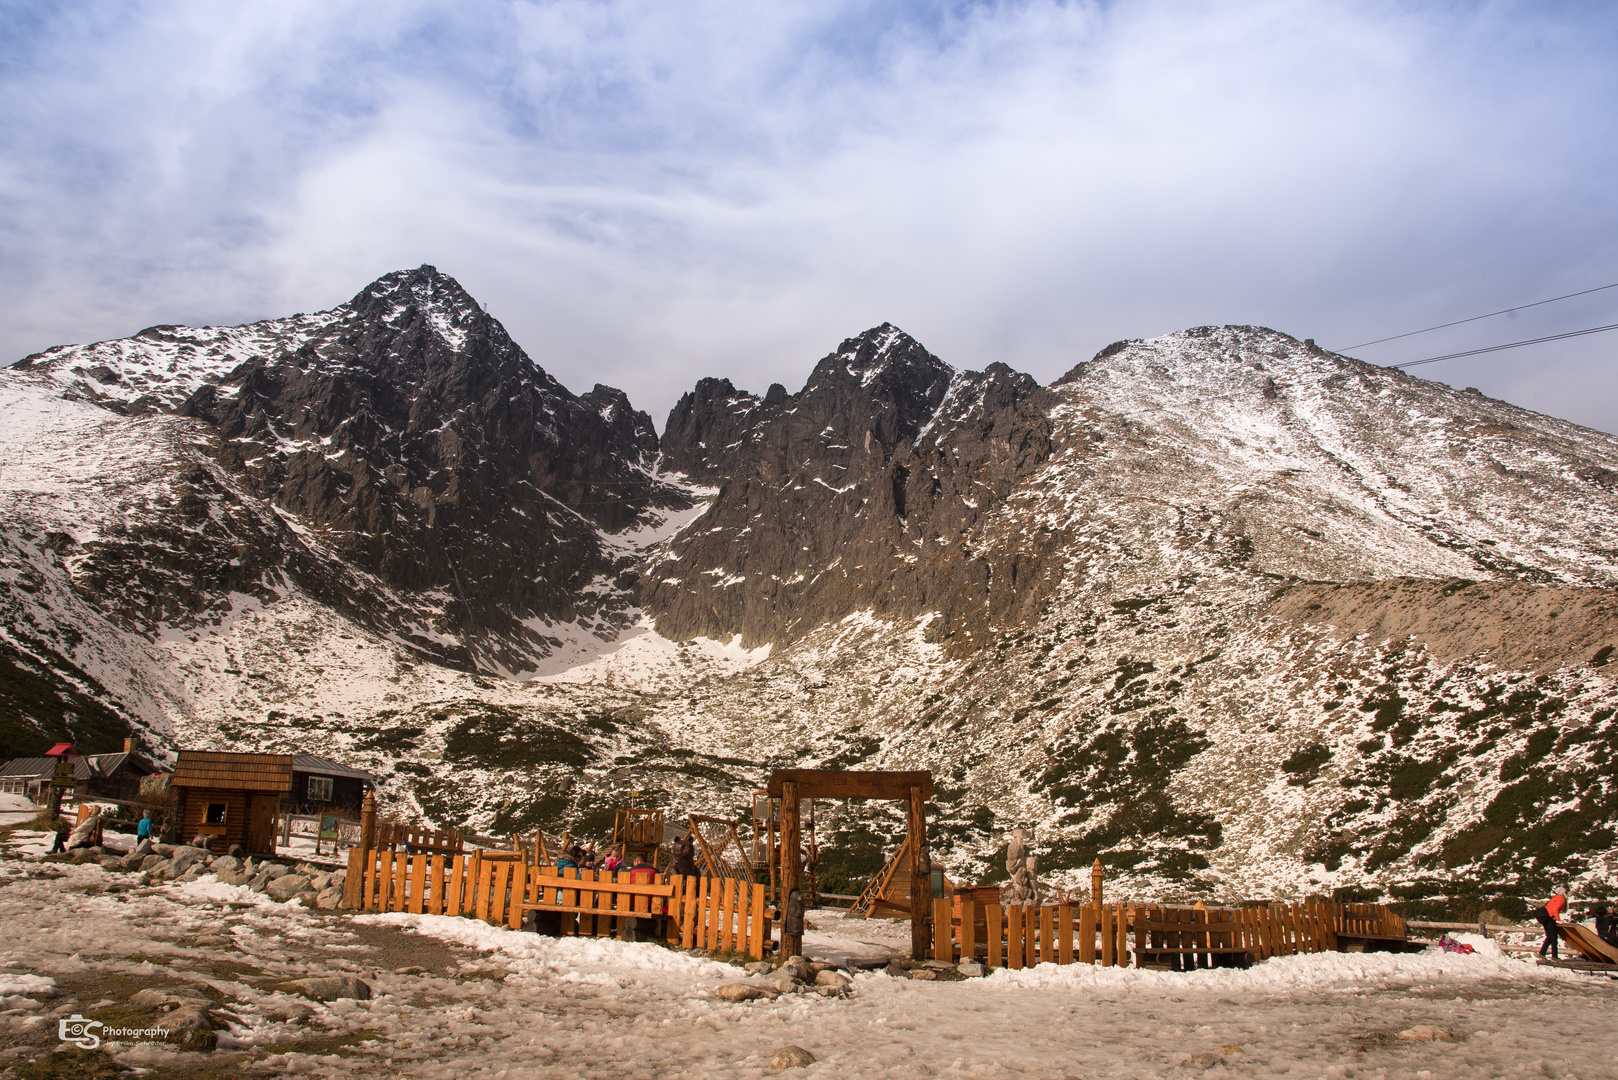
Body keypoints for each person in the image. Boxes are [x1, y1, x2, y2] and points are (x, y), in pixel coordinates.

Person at [1535, 887, 1568, 960]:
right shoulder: (1561, 899)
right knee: (1553, 938)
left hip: (1545, 918)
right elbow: (1555, 909)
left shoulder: (1555, 898)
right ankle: (1554, 957)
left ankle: (1542, 953)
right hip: (1550, 919)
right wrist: (1557, 919)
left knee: (1549, 937)